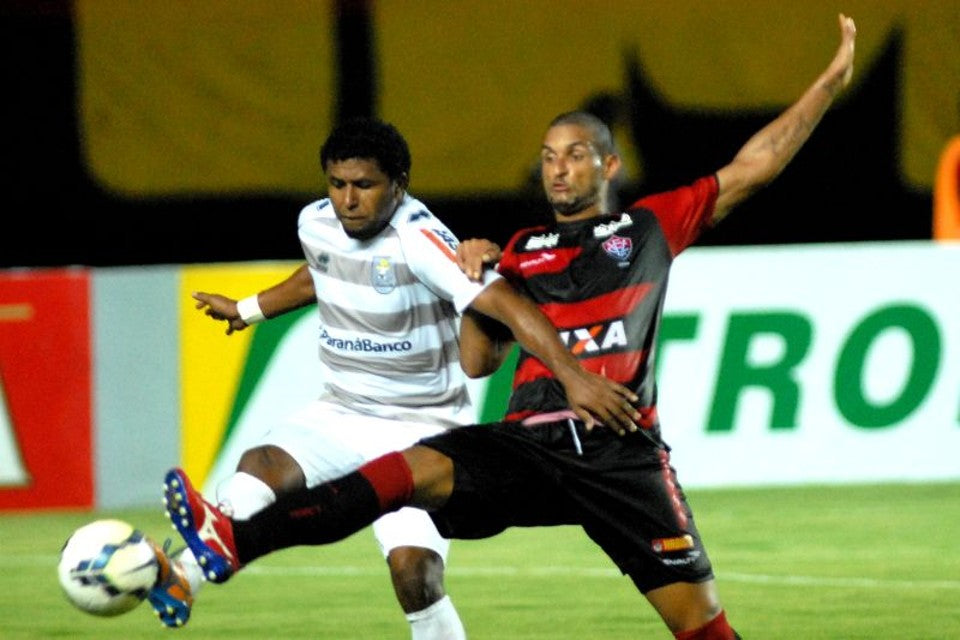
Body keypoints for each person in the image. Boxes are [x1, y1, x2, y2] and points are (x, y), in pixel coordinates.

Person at [160, 14, 857, 639]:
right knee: (406, 474)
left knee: (699, 625)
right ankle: (234, 541)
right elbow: (477, 364)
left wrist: (827, 85)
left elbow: (753, 168)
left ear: (609, 164)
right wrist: (472, 284)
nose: (559, 168)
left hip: (622, 454)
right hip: (530, 444)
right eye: (550, 157)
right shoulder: (520, 249)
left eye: (576, 154)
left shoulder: (648, 228)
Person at [147, 117, 639, 635]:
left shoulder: (421, 240)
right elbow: (320, 269)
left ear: (399, 185)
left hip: (423, 427)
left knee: (414, 575)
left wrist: (574, 377)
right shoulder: (315, 222)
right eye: (337, 185)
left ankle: (190, 561)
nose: (348, 200)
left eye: (364, 186)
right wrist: (247, 310)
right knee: (260, 468)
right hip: (341, 411)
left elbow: (506, 304)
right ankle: (185, 575)